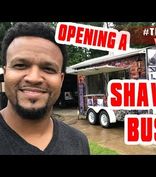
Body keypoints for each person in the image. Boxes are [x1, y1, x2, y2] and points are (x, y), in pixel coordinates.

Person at [0, 22, 90, 155]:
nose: (34, 78)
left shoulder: (79, 142)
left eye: (48, 69)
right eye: (20, 65)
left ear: (61, 79)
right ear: (5, 72)